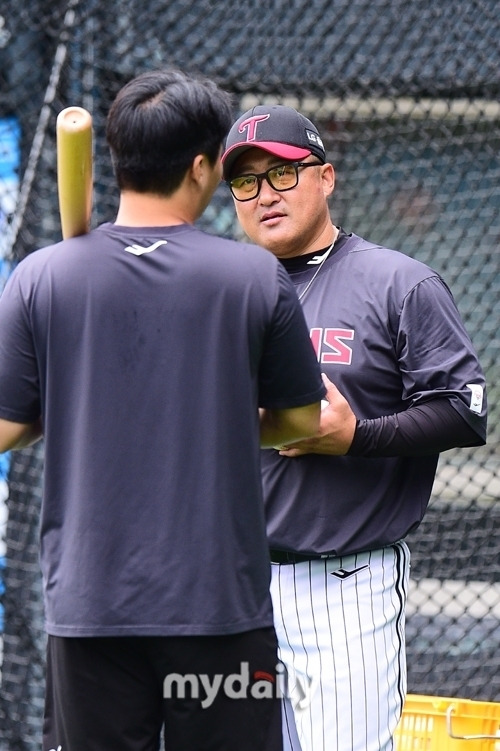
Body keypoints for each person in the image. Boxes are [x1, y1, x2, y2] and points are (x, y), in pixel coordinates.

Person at [0, 74, 327, 751]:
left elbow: (6, 426)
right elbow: (301, 421)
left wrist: (69, 404)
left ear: (118, 160)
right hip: (222, 611)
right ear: (204, 166)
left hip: (91, 609)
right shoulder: (254, 277)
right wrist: (227, 416)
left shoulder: (41, 277)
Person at [221, 104, 488, 751]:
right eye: (246, 181)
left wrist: (357, 436)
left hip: (344, 588)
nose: (265, 195)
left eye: (282, 174)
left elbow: (465, 409)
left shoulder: (398, 282)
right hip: (235, 589)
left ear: (327, 176)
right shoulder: (221, 291)